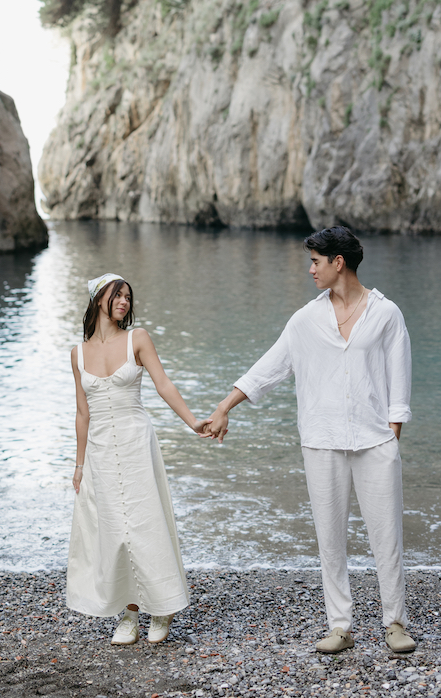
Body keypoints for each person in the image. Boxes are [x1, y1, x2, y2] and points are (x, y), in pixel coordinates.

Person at [205, 226, 416, 656]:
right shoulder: (305, 320)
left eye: (316, 261)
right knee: (330, 539)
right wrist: (225, 406)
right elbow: (269, 368)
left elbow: (400, 381)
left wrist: (392, 435)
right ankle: (340, 625)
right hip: (321, 442)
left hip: (375, 443)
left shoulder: (386, 313)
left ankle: (395, 622)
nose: (310, 269)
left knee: (386, 537)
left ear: (339, 263)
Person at [67, 272, 207, 645]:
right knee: (113, 531)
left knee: (147, 524)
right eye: (118, 295)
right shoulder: (77, 353)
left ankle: (161, 608)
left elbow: (164, 385)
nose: (125, 302)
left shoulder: (138, 339)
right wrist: (79, 465)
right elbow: (83, 413)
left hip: (136, 442)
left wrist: (193, 422)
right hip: (99, 450)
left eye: (128, 296)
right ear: (100, 299)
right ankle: (129, 612)